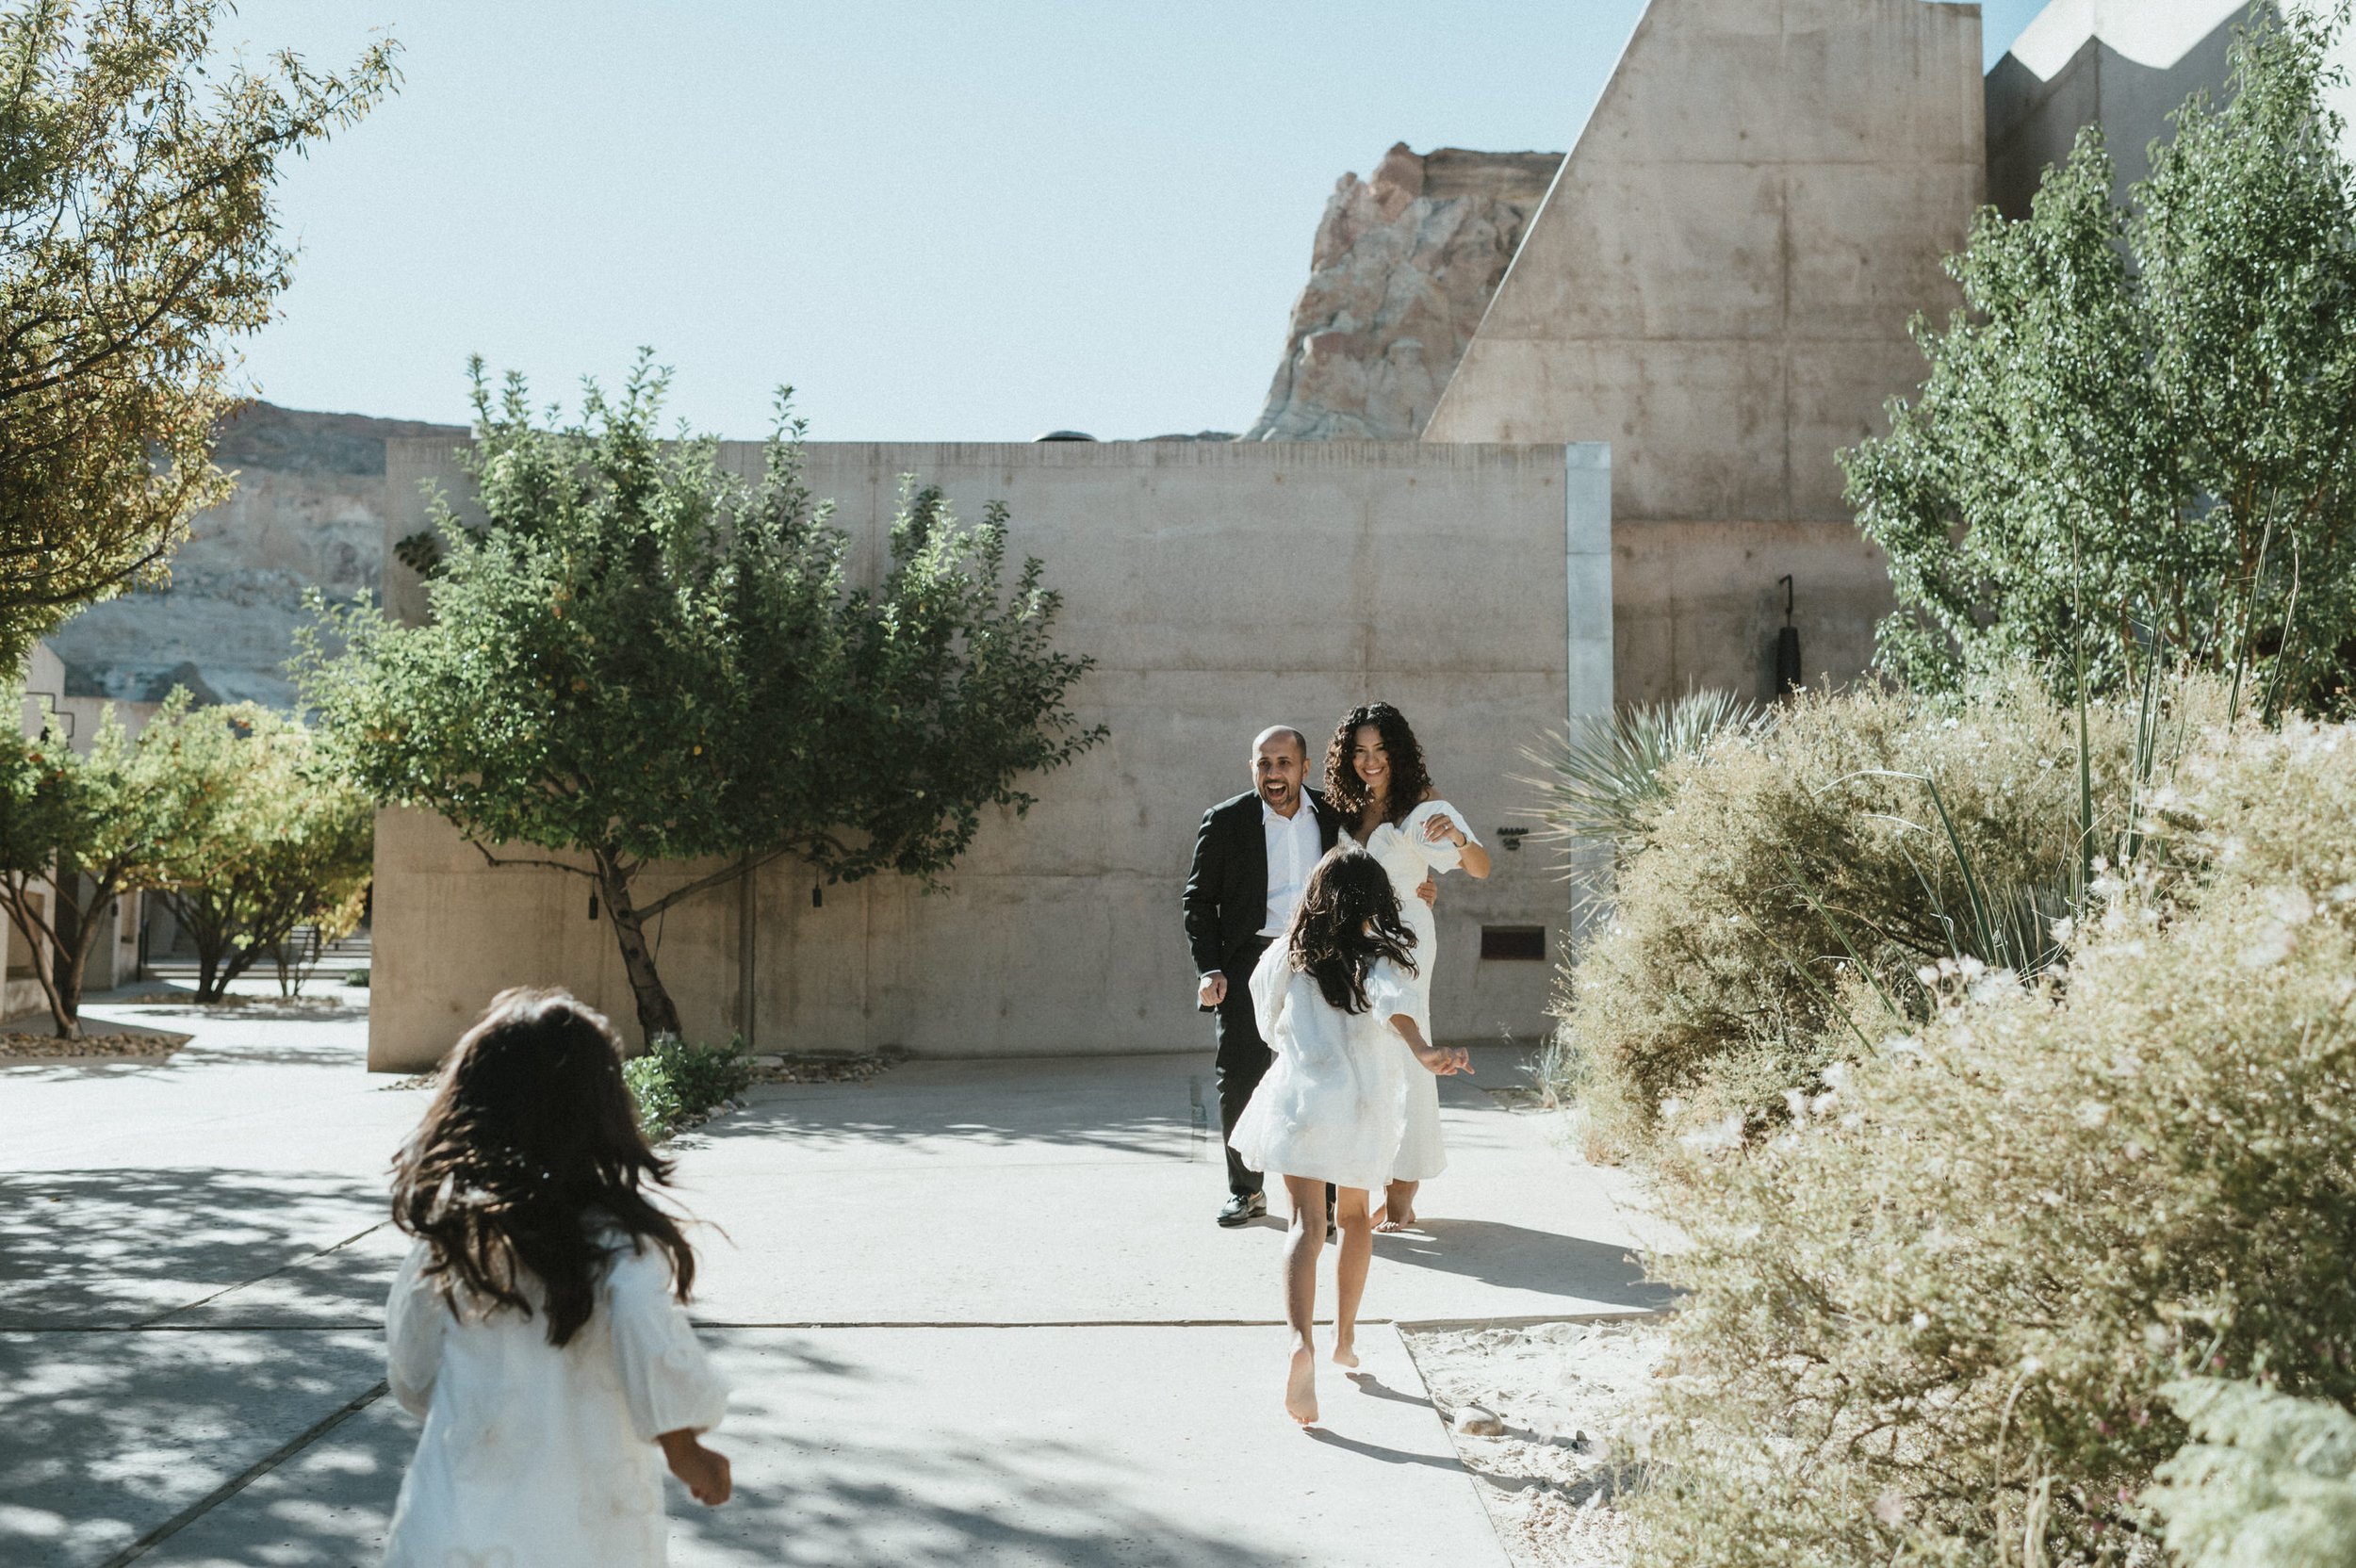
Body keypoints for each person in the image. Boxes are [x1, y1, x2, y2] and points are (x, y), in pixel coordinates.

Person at [381, 988, 732, 1568]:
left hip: (456, 1525)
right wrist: (683, 1445)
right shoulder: (619, 1246)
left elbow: (414, 1376)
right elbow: (647, 1333)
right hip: (586, 1529)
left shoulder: (455, 1247)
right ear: (604, 1115)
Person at [1225, 848, 1471, 1425]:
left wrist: (1298, 1049)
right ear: (1377, 900)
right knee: (1354, 1219)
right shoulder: (1384, 956)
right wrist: (1425, 1052)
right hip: (1360, 1103)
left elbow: (1265, 1021)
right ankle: (1344, 1339)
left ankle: (1298, 1343)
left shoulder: (1286, 954)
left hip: (1301, 1098)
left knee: (1304, 1226)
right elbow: (1396, 1011)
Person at [1324, 702, 1491, 1233]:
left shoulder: (1421, 805)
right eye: (1360, 752)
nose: (1371, 761)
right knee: (1365, 1053)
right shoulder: (1348, 807)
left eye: (1381, 750)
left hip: (1407, 938)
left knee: (1404, 1050)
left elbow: (1481, 867)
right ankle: (1375, 1184)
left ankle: (1401, 1200)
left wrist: (1460, 841)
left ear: (1398, 750)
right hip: (1357, 941)